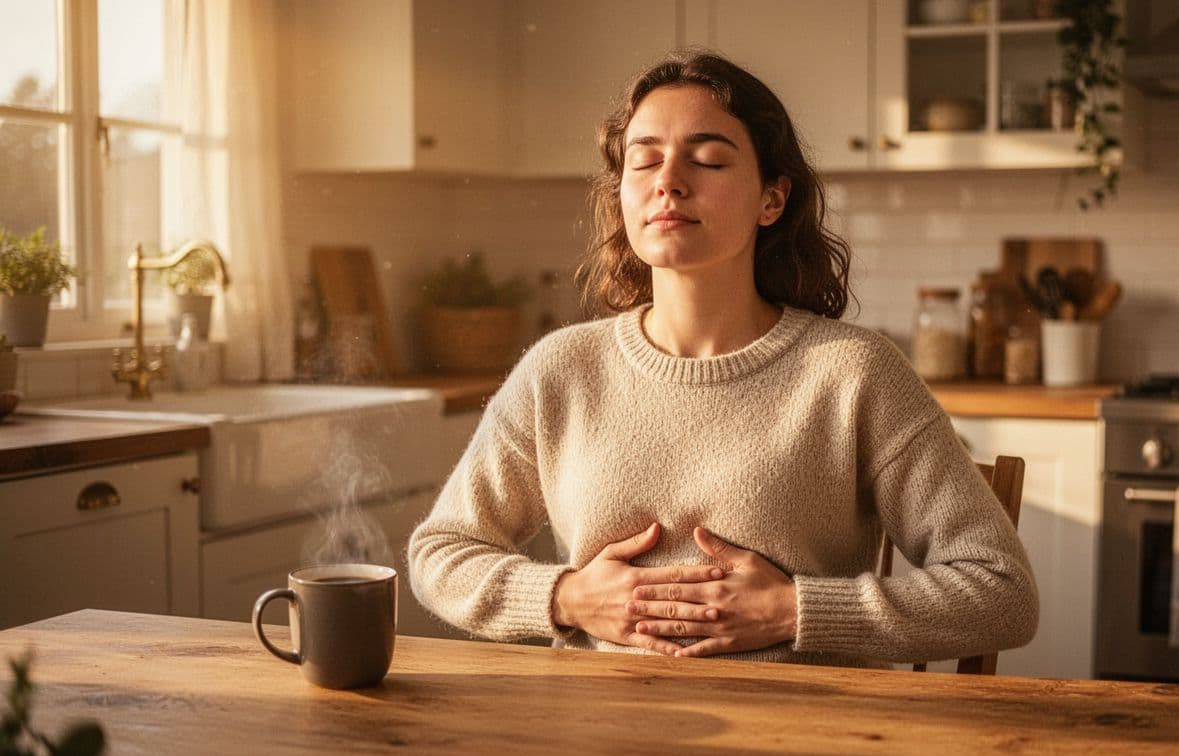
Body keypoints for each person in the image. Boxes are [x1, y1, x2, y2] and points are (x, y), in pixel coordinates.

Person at [408, 50, 1038, 668]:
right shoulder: (561, 371)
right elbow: (441, 554)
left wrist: (792, 611)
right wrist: (568, 597)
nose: (668, 181)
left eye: (707, 159)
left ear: (773, 200)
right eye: (645, 159)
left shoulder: (854, 373)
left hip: (808, 733)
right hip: (597, 732)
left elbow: (1001, 592)